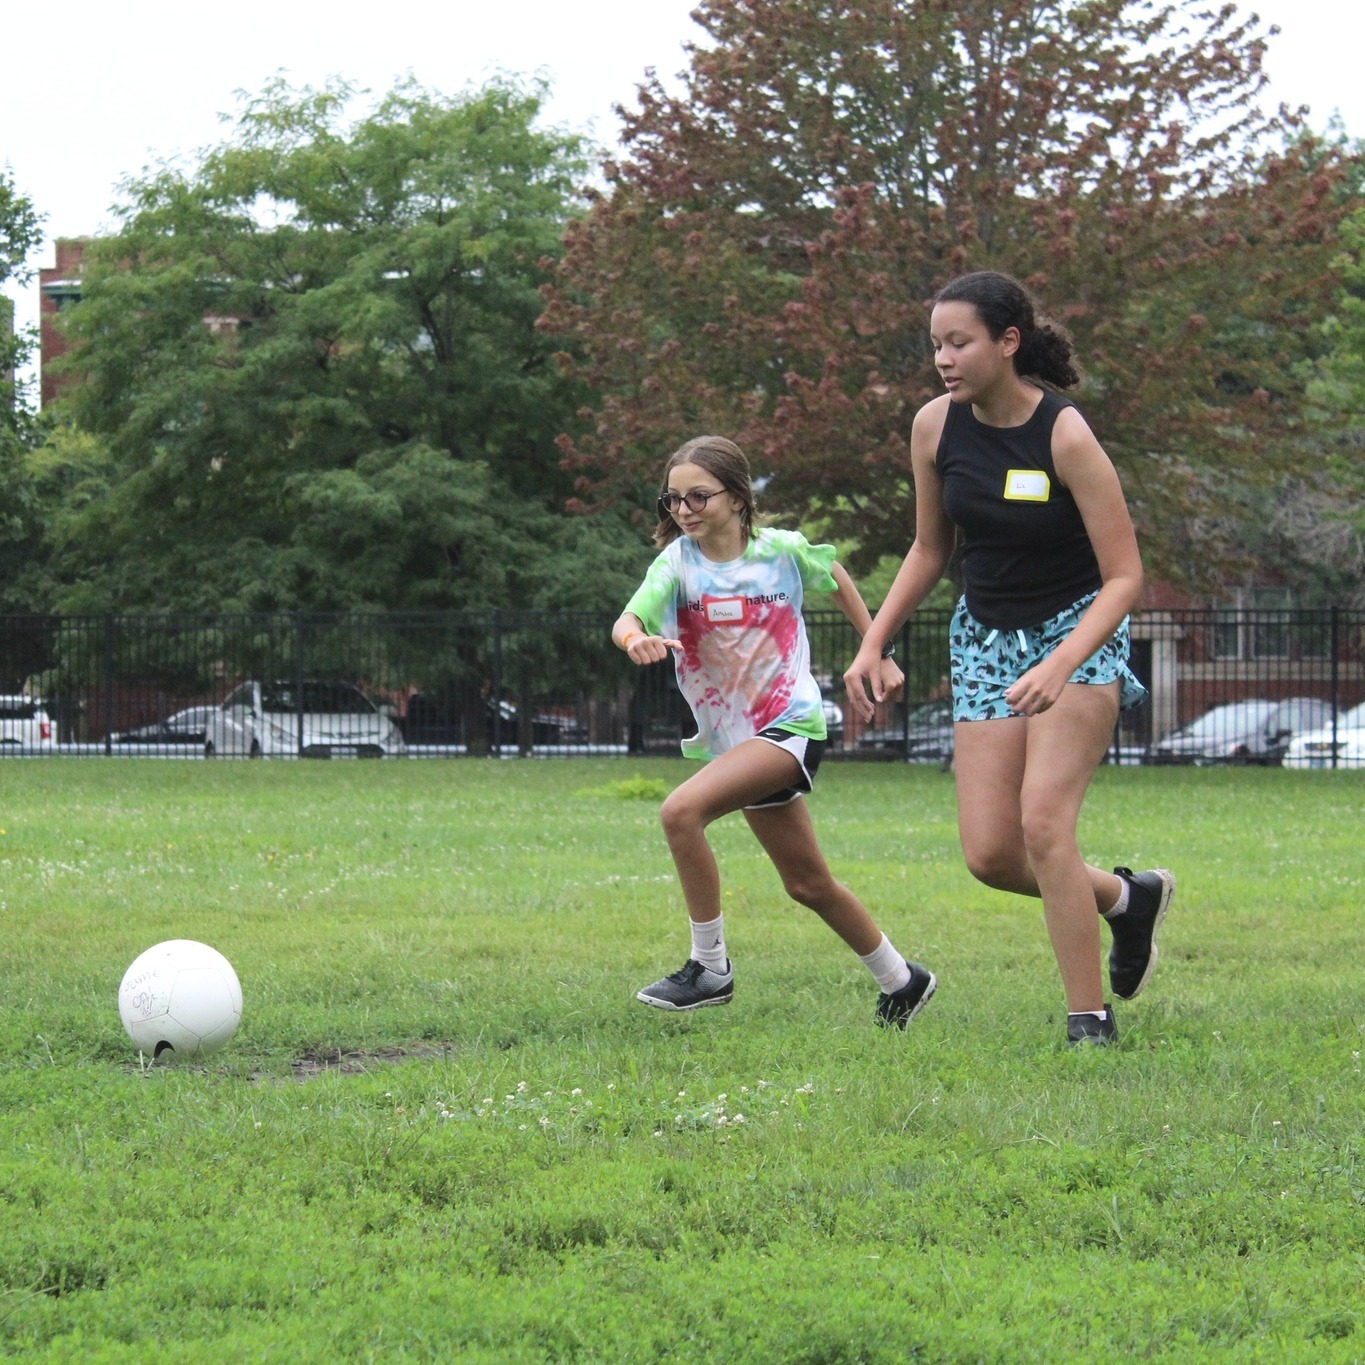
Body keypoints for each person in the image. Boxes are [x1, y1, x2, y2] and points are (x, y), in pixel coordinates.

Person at [844, 271, 1173, 1047]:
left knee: (1042, 826)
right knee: (990, 853)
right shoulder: (934, 427)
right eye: (935, 345)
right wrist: (873, 637)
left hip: (1075, 633)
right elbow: (931, 547)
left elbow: (1125, 575)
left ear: (1007, 342)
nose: (944, 359)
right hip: (985, 640)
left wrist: (1063, 663)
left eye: (959, 342)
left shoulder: (1062, 433)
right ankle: (1128, 901)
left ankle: (1087, 1017)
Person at [612, 435, 937, 1027]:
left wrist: (877, 649)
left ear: (737, 498)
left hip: (792, 726)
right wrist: (635, 639)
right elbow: (629, 618)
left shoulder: (781, 552)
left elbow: (835, 574)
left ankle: (708, 967)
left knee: (680, 813)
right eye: (674, 499)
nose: (683, 510)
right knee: (808, 884)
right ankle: (903, 979)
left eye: (698, 497)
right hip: (737, 741)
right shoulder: (675, 564)